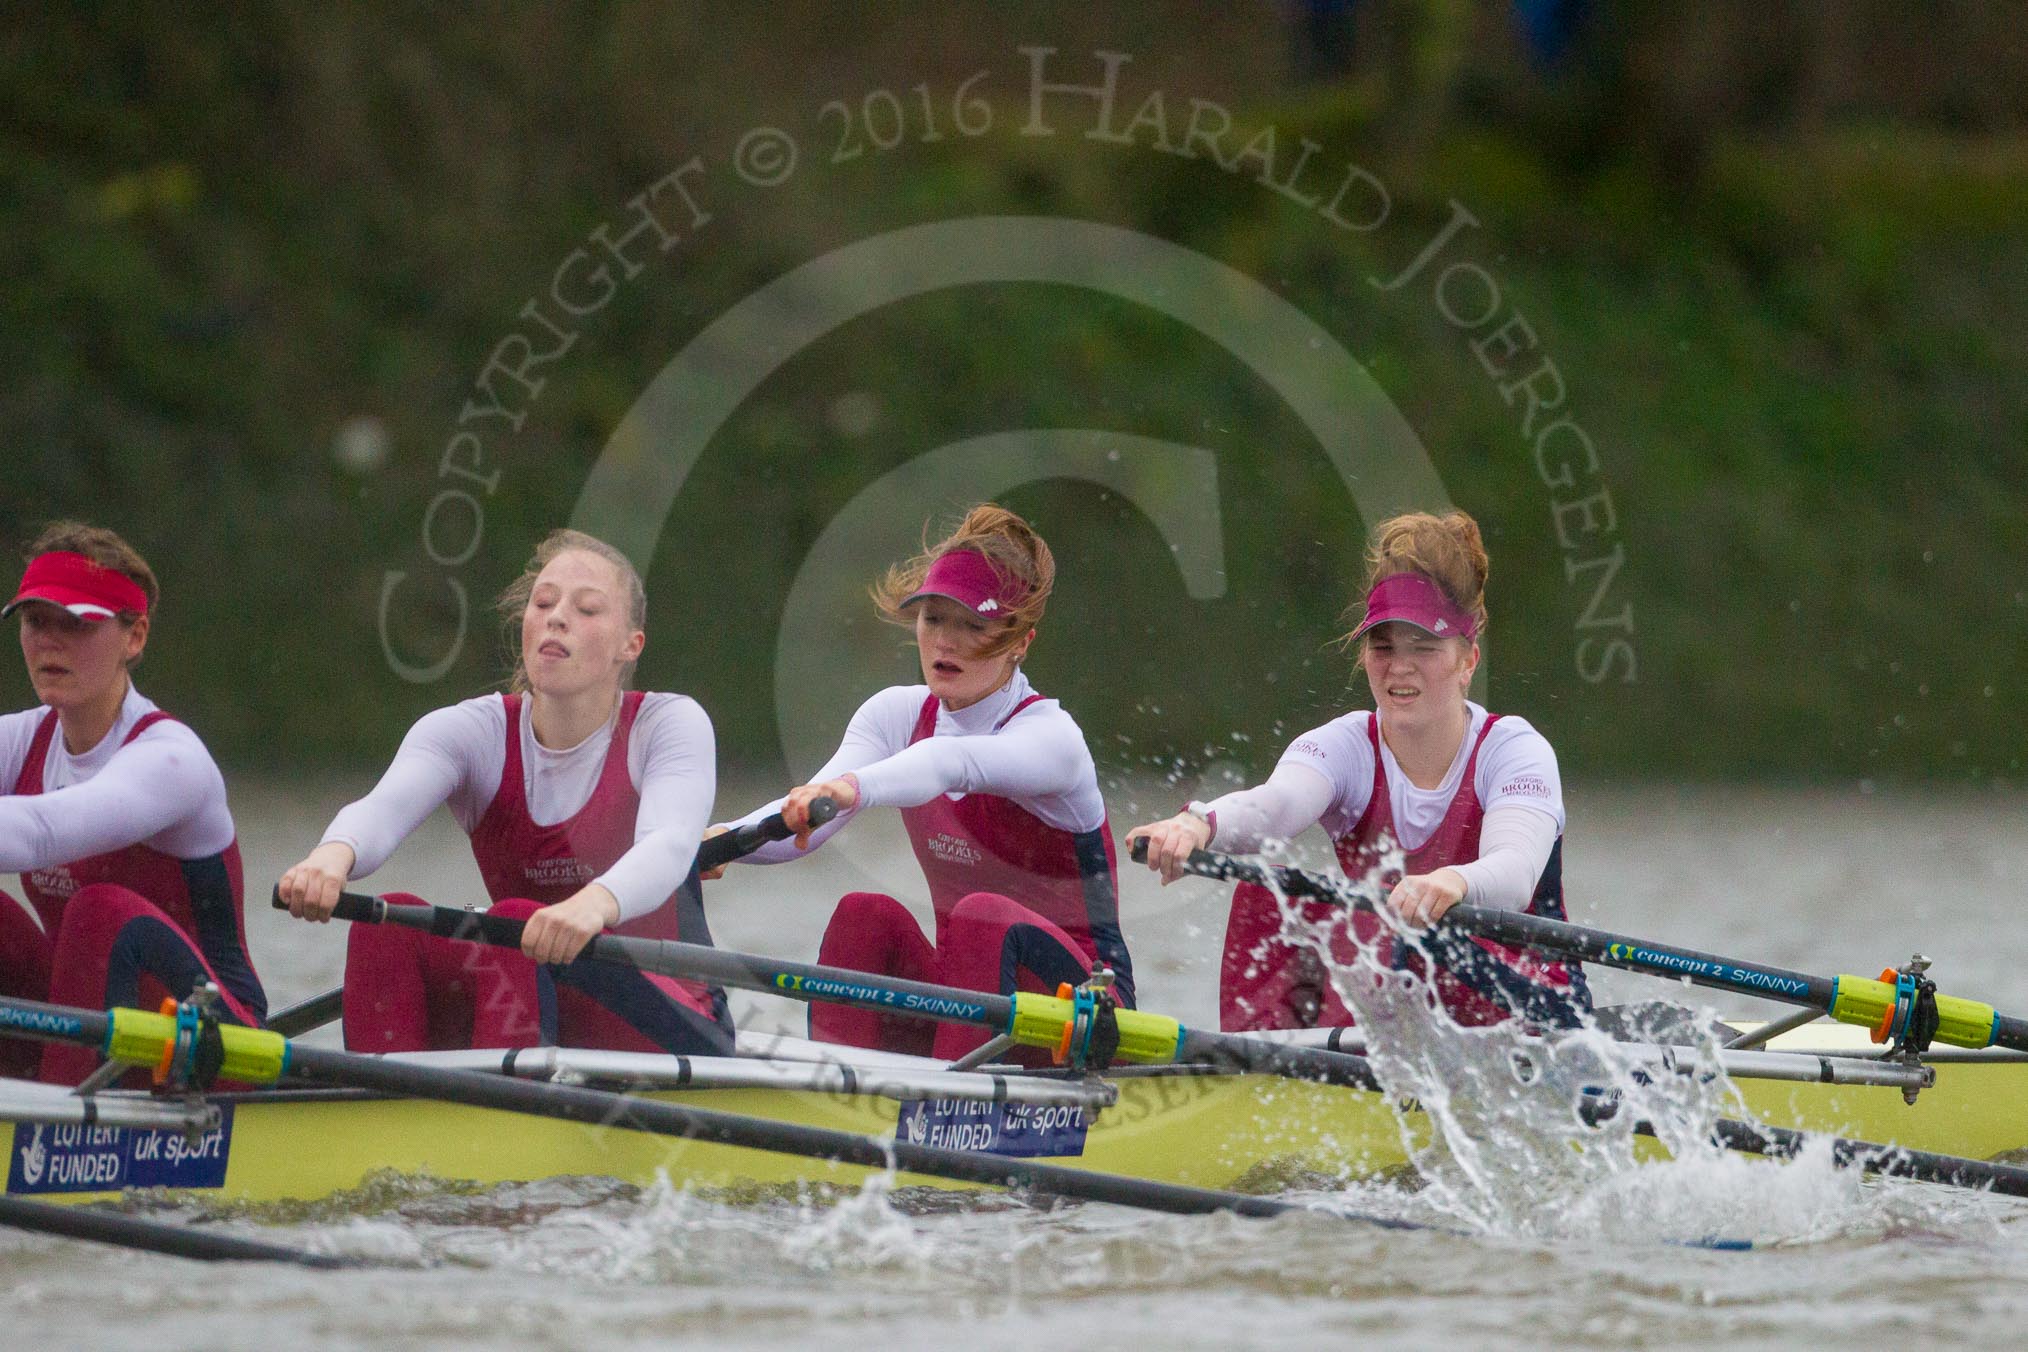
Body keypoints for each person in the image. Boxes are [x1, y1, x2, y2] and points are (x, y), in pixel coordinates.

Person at [276, 528, 731, 1056]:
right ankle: (386, 1112)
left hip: (675, 1015)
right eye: (544, 603)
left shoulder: (669, 724)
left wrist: (593, 906)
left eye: (587, 609)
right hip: (534, 997)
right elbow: (379, 810)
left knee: (514, 920)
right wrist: (330, 860)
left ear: (630, 645)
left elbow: (669, 846)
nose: (557, 617)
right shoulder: (471, 732)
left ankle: (501, 1115)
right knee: (390, 922)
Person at [1128, 510, 1589, 1031]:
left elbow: (1513, 872)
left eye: (1424, 646)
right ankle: (1263, 1074)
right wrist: (1197, 824)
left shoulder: (1514, 751)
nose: (1399, 666)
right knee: (1267, 890)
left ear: (1468, 661)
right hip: (1397, 991)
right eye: (1383, 645)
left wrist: (1452, 882)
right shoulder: (1345, 745)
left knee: (1406, 927)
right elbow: (1273, 807)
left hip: (1523, 1004)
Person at [714, 505, 1133, 1059]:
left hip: (1081, 1010)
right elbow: (800, 830)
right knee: (865, 914)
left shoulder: (1052, 739)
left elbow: (948, 762)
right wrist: (710, 843)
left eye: (972, 625)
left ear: (1019, 642)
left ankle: (941, 1115)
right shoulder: (894, 716)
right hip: (975, 1002)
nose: (946, 643)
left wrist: (851, 788)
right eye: (934, 619)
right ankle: (846, 1094)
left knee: (982, 916)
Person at [0, 523, 266, 1083]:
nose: (49, 641)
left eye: (75, 622)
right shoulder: (21, 741)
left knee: (99, 911)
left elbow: (40, 832)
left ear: (135, 636)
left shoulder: (172, 760)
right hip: (102, 1024)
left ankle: (53, 1133)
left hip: (213, 1037)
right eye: (34, 622)